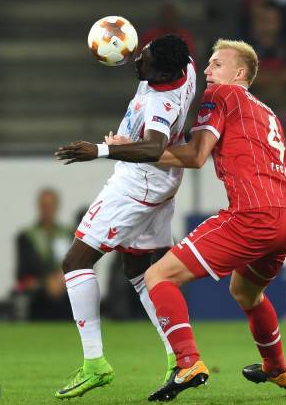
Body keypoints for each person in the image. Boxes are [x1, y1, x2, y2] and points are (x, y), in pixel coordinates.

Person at [58, 38, 286, 402]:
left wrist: (122, 148)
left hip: (253, 214)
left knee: (158, 275)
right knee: (246, 292)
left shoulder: (222, 97)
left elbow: (196, 155)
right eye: (206, 63)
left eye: (217, 64)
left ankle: (187, 362)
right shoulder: (265, 110)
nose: (206, 70)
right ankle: (277, 367)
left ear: (239, 74)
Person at [53, 34, 196, 399]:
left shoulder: (162, 100)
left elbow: (153, 147)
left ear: (163, 73)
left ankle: (94, 363)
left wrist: (101, 149)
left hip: (136, 187)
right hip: (163, 185)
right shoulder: (185, 66)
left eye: (144, 60)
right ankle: (179, 359)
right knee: (138, 272)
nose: (137, 59)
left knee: (75, 262)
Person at [13, 188, 73, 320]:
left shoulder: (68, 234)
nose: (47, 210)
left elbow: (77, 264)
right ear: (38, 206)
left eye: (50, 206)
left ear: (57, 207)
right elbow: (22, 272)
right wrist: (45, 283)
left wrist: (61, 280)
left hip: (65, 292)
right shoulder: (26, 237)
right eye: (44, 206)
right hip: (38, 294)